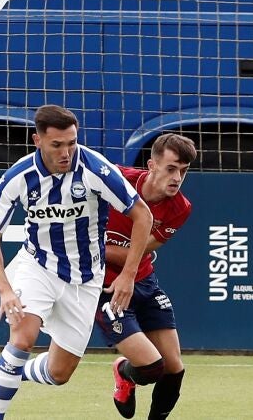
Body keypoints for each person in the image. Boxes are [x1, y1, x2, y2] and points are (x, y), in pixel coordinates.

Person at [0, 105, 154, 420]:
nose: (66, 152)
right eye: (57, 145)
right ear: (37, 141)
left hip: (85, 279)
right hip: (38, 266)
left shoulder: (95, 169)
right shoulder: (18, 177)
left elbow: (143, 215)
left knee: (59, 373)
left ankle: (11, 373)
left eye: (72, 143)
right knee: (22, 338)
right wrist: (4, 290)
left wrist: (128, 274)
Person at [94, 133, 197, 420]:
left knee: (174, 369)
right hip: (105, 288)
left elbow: (139, 254)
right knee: (152, 368)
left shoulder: (181, 208)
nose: (177, 178)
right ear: (152, 165)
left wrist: (94, 247)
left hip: (144, 282)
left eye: (184, 171)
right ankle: (124, 372)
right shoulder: (115, 180)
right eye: (171, 169)